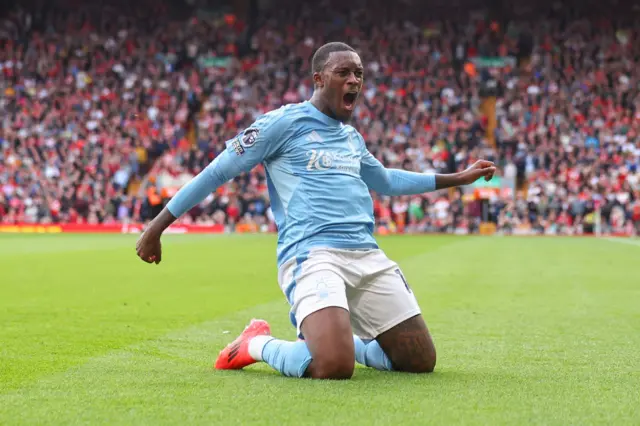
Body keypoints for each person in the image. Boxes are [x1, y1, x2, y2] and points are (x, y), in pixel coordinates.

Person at [135, 42, 497, 379]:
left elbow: (387, 181)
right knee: (333, 366)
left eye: (359, 73)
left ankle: (339, 341)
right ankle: (254, 344)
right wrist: (157, 226)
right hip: (312, 254)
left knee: (418, 361)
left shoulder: (351, 136)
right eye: (344, 73)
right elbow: (217, 172)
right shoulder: (282, 123)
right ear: (319, 79)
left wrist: (459, 178)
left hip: (365, 253)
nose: (354, 80)